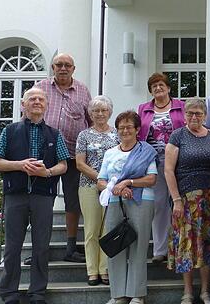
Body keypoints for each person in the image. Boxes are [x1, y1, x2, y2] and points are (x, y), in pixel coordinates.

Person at [0, 87, 69, 304]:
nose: (37, 101)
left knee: (42, 246)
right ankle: (9, 293)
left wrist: (48, 172)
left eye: (41, 99)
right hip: (15, 194)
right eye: (32, 99)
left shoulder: (55, 134)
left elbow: (63, 165)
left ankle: (37, 293)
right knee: (13, 247)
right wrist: (20, 165)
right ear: (22, 105)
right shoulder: (10, 130)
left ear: (46, 105)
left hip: (43, 195)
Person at [97, 111, 158, 304]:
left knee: (139, 247)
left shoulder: (146, 151)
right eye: (121, 127)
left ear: (137, 129)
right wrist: (115, 188)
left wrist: (128, 183)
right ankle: (118, 294)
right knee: (116, 246)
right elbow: (101, 180)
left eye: (129, 127)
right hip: (115, 202)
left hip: (142, 201)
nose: (125, 130)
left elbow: (151, 178)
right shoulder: (110, 153)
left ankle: (137, 294)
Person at [35, 52, 91, 263]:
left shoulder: (83, 90)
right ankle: (40, 249)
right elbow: (28, 115)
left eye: (67, 65)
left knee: (72, 201)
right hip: (44, 154)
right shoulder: (40, 87)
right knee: (43, 201)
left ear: (73, 69)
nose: (63, 68)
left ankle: (70, 248)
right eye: (59, 64)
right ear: (53, 67)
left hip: (73, 154)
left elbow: (90, 120)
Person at [164, 99, 210, 304]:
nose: (194, 117)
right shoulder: (178, 135)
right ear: (184, 115)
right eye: (190, 113)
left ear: (205, 115)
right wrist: (176, 200)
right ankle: (188, 292)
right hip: (186, 199)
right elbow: (169, 170)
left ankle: (205, 291)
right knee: (186, 245)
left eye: (198, 113)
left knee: (207, 246)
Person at [137, 73, 186, 264]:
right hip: (153, 163)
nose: (158, 88)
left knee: (179, 204)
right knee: (159, 206)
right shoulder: (143, 109)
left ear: (168, 88)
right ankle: (160, 250)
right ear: (150, 90)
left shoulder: (181, 106)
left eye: (161, 85)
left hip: (179, 162)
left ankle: (180, 246)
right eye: (154, 86)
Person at [76, 95, 119, 286]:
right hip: (89, 186)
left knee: (107, 229)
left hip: (111, 188)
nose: (100, 114)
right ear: (90, 114)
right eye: (96, 111)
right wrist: (100, 178)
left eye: (103, 110)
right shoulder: (84, 135)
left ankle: (105, 269)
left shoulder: (117, 133)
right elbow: (79, 163)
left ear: (109, 112)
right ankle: (92, 270)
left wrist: (109, 182)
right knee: (92, 230)